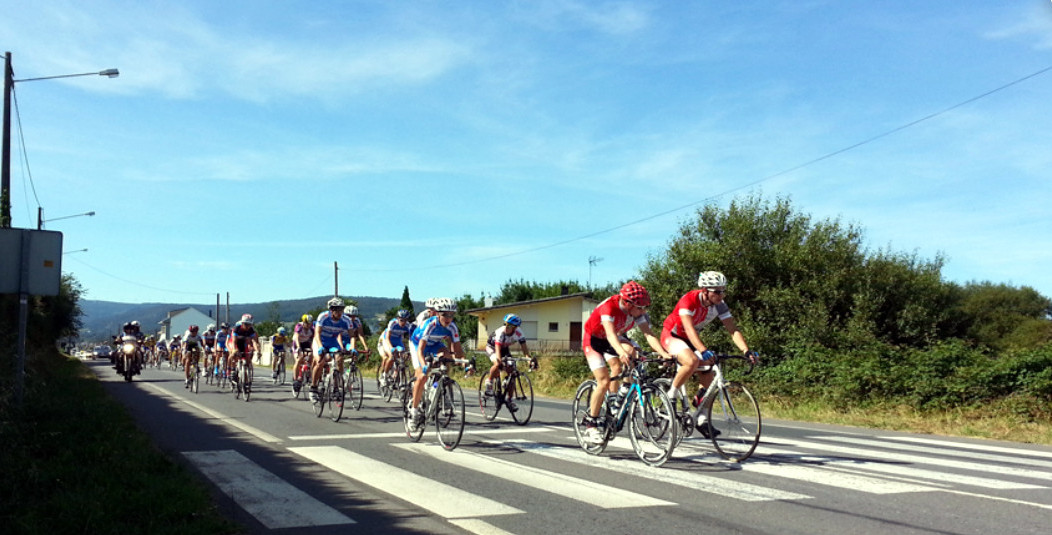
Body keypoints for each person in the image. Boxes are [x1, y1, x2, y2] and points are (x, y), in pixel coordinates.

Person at [660, 271, 759, 437]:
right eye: (717, 291)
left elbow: (732, 329)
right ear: (705, 290)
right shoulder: (689, 300)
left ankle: (702, 418)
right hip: (673, 335)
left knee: (711, 366)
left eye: (723, 290)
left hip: (692, 338)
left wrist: (746, 350)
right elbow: (689, 329)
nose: (722, 295)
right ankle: (671, 395)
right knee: (691, 361)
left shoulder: (720, 305)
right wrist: (703, 350)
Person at [581, 281, 670, 444]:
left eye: (645, 308)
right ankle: (591, 424)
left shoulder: (637, 312)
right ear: (627, 303)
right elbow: (610, 335)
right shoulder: (609, 307)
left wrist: (663, 353)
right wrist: (620, 352)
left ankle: (622, 393)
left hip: (614, 337)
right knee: (603, 381)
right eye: (640, 307)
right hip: (594, 340)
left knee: (634, 353)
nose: (643, 311)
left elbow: (649, 335)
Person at [407, 297, 467, 432]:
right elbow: (421, 350)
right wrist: (423, 366)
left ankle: (441, 386)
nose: (448, 318)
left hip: (435, 344)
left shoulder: (452, 327)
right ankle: (414, 412)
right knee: (422, 376)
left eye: (451, 315)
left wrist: (465, 363)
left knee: (447, 358)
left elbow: (458, 350)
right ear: (438, 314)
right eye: (445, 314)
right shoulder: (430, 325)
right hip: (417, 344)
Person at [483, 313, 535, 412]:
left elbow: (525, 349)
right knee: (498, 363)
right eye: (506, 324)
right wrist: (500, 361)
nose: (507, 327)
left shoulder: (519, 333)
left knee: (512, 373)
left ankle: (510, 399)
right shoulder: (500, 332)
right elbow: (498, 350)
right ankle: (489, 381)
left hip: (504, 349)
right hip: (492, 348)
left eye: (510, 326)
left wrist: (528, 360)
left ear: (515, 328)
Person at [310, 298, 353, 403]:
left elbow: (352, 336)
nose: (339, 313)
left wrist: (352, 347)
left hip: (333, 342)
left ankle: (336, 388)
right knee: (320, 361)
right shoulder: (323, 317)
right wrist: (320, 347)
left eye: (341, 310)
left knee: (339, 359)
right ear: (331, 310)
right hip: (319, 341)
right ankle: (313, 388)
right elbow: (317, 334)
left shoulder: (346, 320)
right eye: (336, 310)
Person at [378, 309, 413, 388]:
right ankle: (384, 375)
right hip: (387, 340)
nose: (403, 322)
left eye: (405, 320)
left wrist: (411, 350)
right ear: (397, 318)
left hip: (397, 340)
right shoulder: (393, 323)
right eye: (401, 320)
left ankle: (398, 374)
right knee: (391, 356)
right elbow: (387, 338)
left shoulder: (408, 325)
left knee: (403, 357)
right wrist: (391, 348)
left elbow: (411, 339)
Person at [229, 314, 261, 389]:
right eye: (246, 325)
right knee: (233, 355)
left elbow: (254, 342)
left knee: (246, 362)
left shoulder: (251, 330)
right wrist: (234, 349)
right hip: (236, 343)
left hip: (244, 344)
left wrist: (257, 351)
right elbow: (234, 341)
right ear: (242, 323)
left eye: (250, 325)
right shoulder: (237, 329)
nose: (248, 327)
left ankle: (245, 382)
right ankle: (232, 370)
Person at [291, 314, 314, 389]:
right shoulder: (299, 326)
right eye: (307, 323)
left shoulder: (312, 328)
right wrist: (298, 347)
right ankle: (295, 380)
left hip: (306, 343)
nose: (308, 325)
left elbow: (314, 339)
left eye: (310, 323)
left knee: (311, 356)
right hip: (297, 344)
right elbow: (296, 337)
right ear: (303, 322)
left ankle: (309, 374)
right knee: (299, 359)